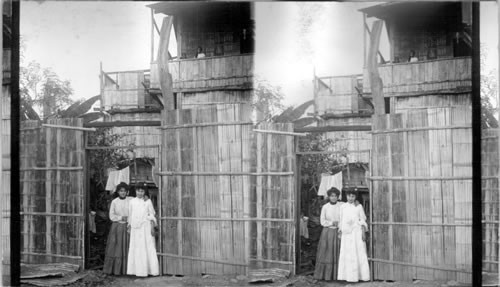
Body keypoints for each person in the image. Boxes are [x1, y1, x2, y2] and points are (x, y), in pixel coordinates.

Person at [127, 182, 159, 277]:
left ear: (144, 192)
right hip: (135, 228)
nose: (140, 193)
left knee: (147, 247)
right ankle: (137, 271)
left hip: (145, 227)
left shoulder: (147, 201)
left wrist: (152, 226)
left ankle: (150, 270)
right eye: (138, 191)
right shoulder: (132, 201)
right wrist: (129, 226)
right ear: (135, 191)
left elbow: (152, 214)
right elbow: (130, 214)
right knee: (137, 248)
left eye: (142, 191)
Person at [337, 190, 370, 282]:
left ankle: (360, 276)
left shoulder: (358, 206)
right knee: (347, 253)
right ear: (346, 196)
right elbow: (341, 219)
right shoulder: (342, 206)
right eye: (349, 196)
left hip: (356, 232)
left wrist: (362, 229)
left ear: (355, 197)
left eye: (353, 196)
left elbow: (363, 219)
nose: (350, 198)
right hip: (346, 233)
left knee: (358, 252)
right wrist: (340, 230)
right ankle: (346, 276)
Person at [313, 187, 343, 281]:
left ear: (338, 197)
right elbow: (322, 221)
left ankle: (338, 275)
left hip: (338, 231)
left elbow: (349, 210)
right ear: (329, 197)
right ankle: (326, 275)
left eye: (335, 196)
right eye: (331, 196)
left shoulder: (342, 205)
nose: (333, 198)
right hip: (328, 232)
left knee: (338, 252)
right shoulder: (325, 207)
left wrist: (356, 203)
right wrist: (331, 223)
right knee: (327, 252)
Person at [103, 182, 131, 275]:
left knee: (127, 247)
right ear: (118, 192)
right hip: (117, 227)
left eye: (124, 191)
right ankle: (115, 270)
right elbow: (111, 216)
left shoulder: (131, 200)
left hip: (128, 225)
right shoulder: (114, 201)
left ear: (127, 192)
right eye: (121, 191)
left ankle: (127, 270)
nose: (122, 193)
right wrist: (120, 218)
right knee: (117, 247)